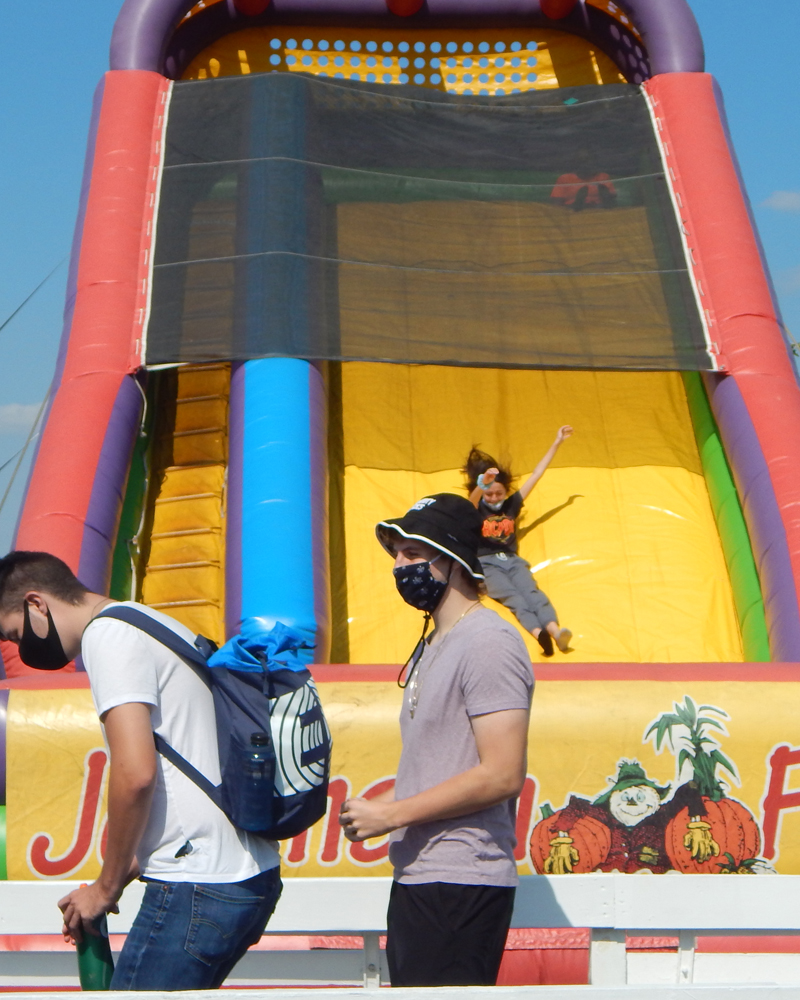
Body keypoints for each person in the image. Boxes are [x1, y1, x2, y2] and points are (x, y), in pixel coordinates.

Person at [0, 551, 281, 991]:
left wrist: (105, 889)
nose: (20, 648)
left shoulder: (108, 637)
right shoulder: (145, 621)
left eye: (14, 635)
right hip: (246, 874)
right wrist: (119, 871)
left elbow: (135, 773)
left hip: (198, 884)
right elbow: (183, 765)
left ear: (36, 604)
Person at [339, 494, 534, 987]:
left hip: (461, 878)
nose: (399, 566)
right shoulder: (435, 644)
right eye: (397, 554)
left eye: (412, 553)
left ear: (452, 559)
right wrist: (383, 807)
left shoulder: (489, 641)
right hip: (421, 874)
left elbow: (502, 773)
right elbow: (446, 763)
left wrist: (390, 814)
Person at [463, 427, 573, 657]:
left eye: (498, 494)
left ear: (506, 492)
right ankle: (539, 634)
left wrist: (557, 442)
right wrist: (482, 485)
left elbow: (536, 474)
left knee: (533, 593)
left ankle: (555, 631)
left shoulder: (512, 505)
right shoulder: (475, 507)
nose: (494, 498)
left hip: (512, 560)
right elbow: (471, 500)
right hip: (486, 564)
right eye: (489, 494)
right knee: (514, 598)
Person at [550, 149, 617, 211]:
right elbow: (556, 205)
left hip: (598, 210)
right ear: (576, 162)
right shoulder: (564, 178)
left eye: (588, 160)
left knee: (604, 206)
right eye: (582, 161)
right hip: (572, 211)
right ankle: (578, 204)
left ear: (594, 161)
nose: (585, 163)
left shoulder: (603, 177)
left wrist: (606, 198)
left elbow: (612, 201)